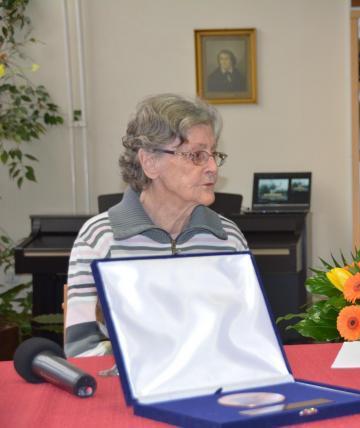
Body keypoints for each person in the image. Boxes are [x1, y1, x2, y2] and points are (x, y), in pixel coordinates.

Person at [64, 94, 248, 357]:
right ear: (150, 162)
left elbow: (245, 337)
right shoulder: (100, 238)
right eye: (197, 155)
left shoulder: (227, 238)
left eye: (213, 154)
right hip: (129, 381)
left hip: (213, 378)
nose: (212, 168)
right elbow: (82, 349)